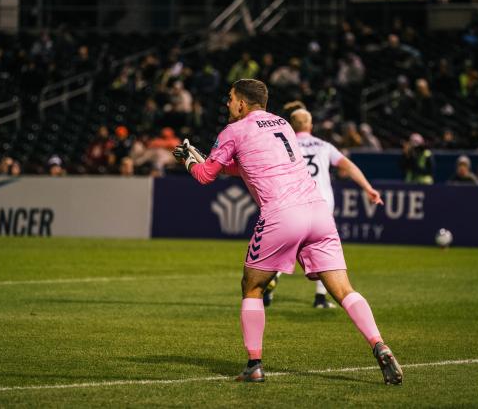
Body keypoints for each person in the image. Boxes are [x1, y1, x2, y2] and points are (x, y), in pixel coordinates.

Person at [172, 79, 402, 385]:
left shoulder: (233, 130)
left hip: (282, 214)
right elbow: (247, 166)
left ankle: (254, 364)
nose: (227, 104)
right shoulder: (281, 123)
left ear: (242, 102)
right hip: (318, 213)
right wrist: (210, 159)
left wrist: (189, 159)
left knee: (252, 286)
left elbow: (204, 176)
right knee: (344, 290)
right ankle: (379, 345)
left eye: (230, 99)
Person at [268, 107, 382, 309]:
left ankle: (272, 277)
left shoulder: (285, 145)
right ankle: (321, 297)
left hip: (293, 204)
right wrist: (368, 188)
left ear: (292, 126)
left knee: (288, 246)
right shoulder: (324, 146)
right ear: (310, 126)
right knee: (323, 253)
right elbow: (347, 166)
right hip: (321, 207)